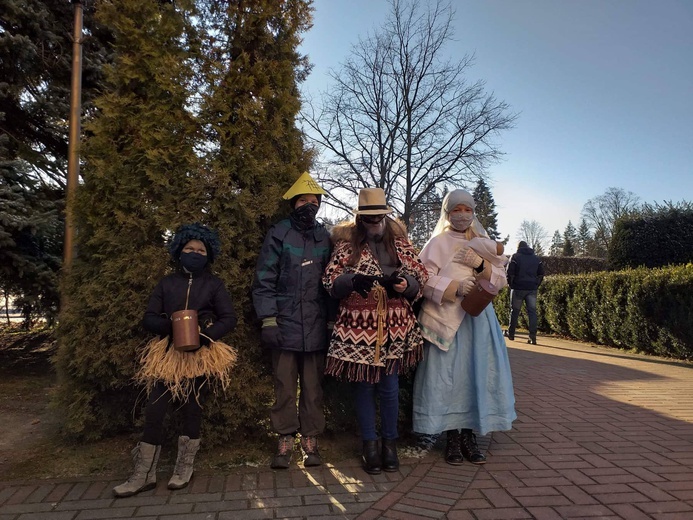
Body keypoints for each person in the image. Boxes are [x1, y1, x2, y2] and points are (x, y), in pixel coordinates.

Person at [113, 223, 238, 497]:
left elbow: (229, 318)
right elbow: (149, 318)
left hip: (201, 356)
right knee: (155, 409)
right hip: (168, 355)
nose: (195, 253)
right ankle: (143, 474)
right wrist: (171, 327)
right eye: (189, 248)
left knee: (193, 408)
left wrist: (206, 336)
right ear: (179, 251)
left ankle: (184, 468)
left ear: (209, 254)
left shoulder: (214, 284)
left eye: (200, 250)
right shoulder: (166, 283)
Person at [322, 187, 428, 475]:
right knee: (364, 386)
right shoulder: (346, 245)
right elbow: (330, 279)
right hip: (358, 325)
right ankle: (369, 444)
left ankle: (389, 444)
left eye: (378, 218)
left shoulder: (400, 243)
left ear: (385, 215)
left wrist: (408, 284)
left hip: (395, 324)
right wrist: (350, 281)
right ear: (359, 219)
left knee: (390, 388)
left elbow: (420, 273)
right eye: (368, 219)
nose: (374, 223)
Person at [413, 189, 516, 466]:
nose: (462, 215)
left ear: (473, 212)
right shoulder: (436, 243)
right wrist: (454, 287)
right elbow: (422, 278)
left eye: (467, 209)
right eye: (456, 209)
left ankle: (470, 435)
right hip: (448, 320)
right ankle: (452, 437)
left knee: (475, 374)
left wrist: (482, 265)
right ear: (448, 213)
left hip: (478, 320)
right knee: (449, 377)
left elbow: (501, 280)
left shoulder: (482, 242)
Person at [252, 172, 332, 469]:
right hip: (284, 324)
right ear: (293, 203)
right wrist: (268, 319)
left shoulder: (325, 236)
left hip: (315, 324)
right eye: (303, 200)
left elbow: (330, 282)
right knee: (284, 384)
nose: (308, 205)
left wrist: (332, 321)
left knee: (313, 387)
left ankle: (310, 439)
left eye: (314, 201)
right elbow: (264, 278)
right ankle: (285, 437)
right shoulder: (278, 233)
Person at [505, 240, 545, 344]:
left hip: (518, 287)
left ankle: (511, 333)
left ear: (518, 247)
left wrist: (511, 285)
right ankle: (532, 337)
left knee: (515, 311)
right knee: (532, 312)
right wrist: (536, 284)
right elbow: (541, 274)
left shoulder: (515, 257)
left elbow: (509, 272)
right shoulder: (536, 258)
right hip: (531, 288)